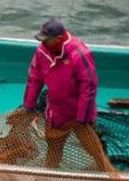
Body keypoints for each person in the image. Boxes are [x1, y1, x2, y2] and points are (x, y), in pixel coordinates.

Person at [21, 19, 106, 170]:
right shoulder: (42, 52)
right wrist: (29, 105)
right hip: (56, 112)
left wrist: (83, 116)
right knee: (53, 147)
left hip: (78, 112)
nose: (43, 43)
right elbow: (34, 78)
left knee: (93, 147)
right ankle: (50, 173)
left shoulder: (79, 53)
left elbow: (89, 86)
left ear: (59, 38)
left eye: (46, 40)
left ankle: (105, 170)